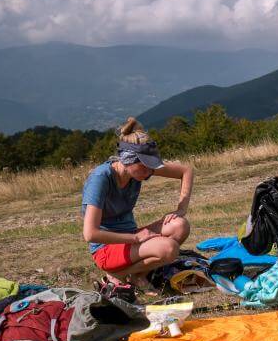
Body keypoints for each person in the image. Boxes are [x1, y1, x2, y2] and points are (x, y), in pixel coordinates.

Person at [81, 118, 194, 294]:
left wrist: (181, 209)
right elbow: (90, 234)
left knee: (180, 225)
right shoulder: (100, 178)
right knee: (169, 249)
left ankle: (136, 275)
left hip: (131, 238)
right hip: (106, 248)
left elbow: (186, 171)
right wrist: (136, 238)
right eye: (144, 167)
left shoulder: (139, 168)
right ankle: (116, 273)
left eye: (151, 166)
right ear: (127, 159)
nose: (149, 172)